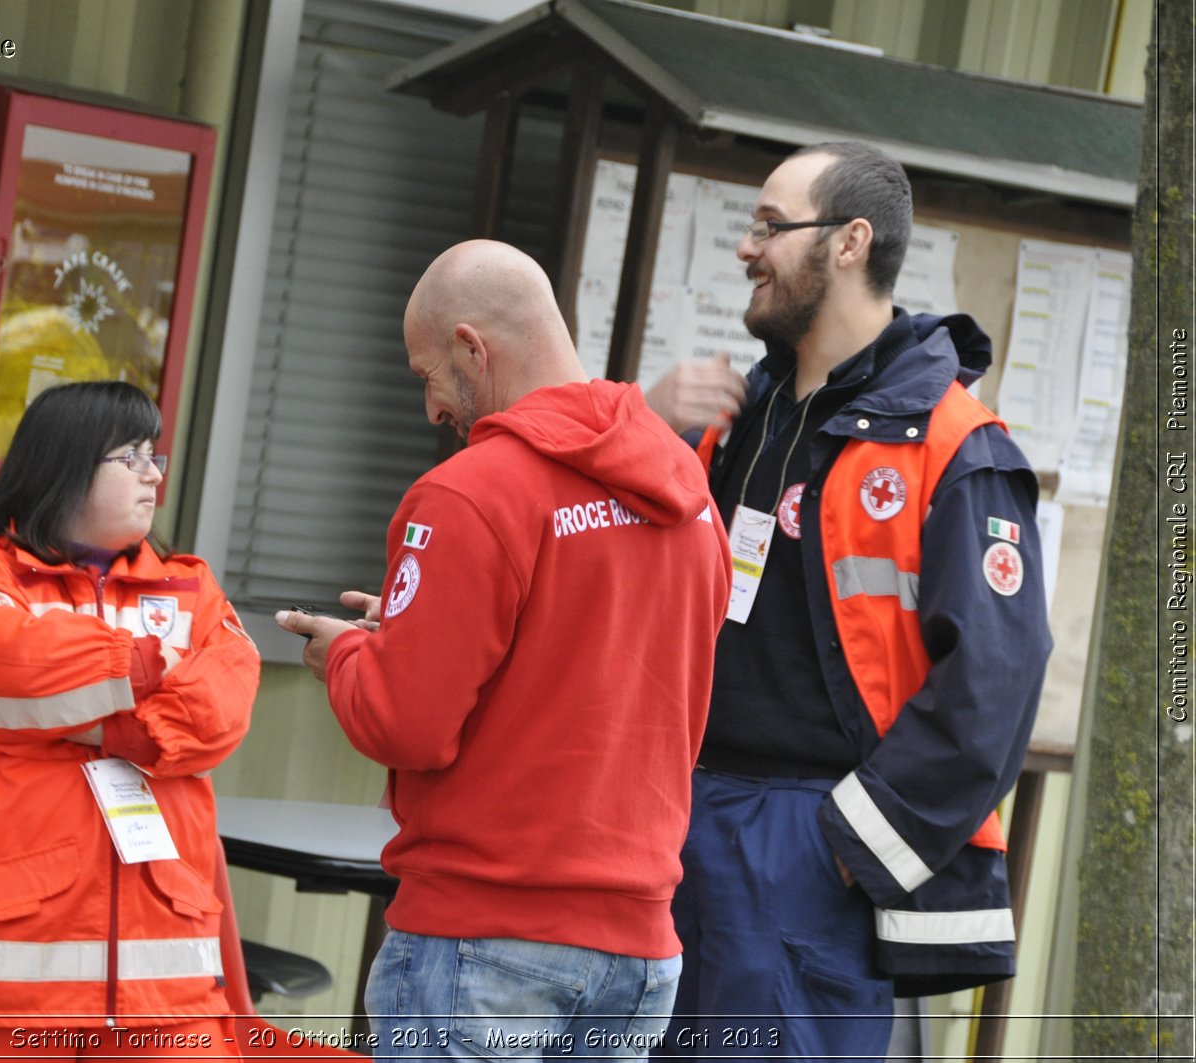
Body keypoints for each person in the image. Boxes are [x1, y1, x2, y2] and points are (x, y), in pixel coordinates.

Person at [275, 239, 732, 1060]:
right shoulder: (689, 494)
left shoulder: (469, 492)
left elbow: (406, 723)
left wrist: (347, 656)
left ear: (471, 347)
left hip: (483, 939)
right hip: (640, 952)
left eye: (428, 376)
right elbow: (609, 665)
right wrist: (416, 631)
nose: (431, 411)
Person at [646, 142, 1052, 1061]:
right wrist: (644, 418)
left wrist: (854, 845)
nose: (747, 248)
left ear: (849, 243)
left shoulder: (953, 445)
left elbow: (994, 682)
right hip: (679, 823)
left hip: (809, 840)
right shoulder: (731, 417)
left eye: (770, 225)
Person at [0, 381, 260, 1057]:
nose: (153, 473)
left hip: (163, 987)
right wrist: (133, 667)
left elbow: (221, 706)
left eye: (154, 454)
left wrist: (103, 725)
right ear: (66, 462)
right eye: (130, 455)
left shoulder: (193, 588)